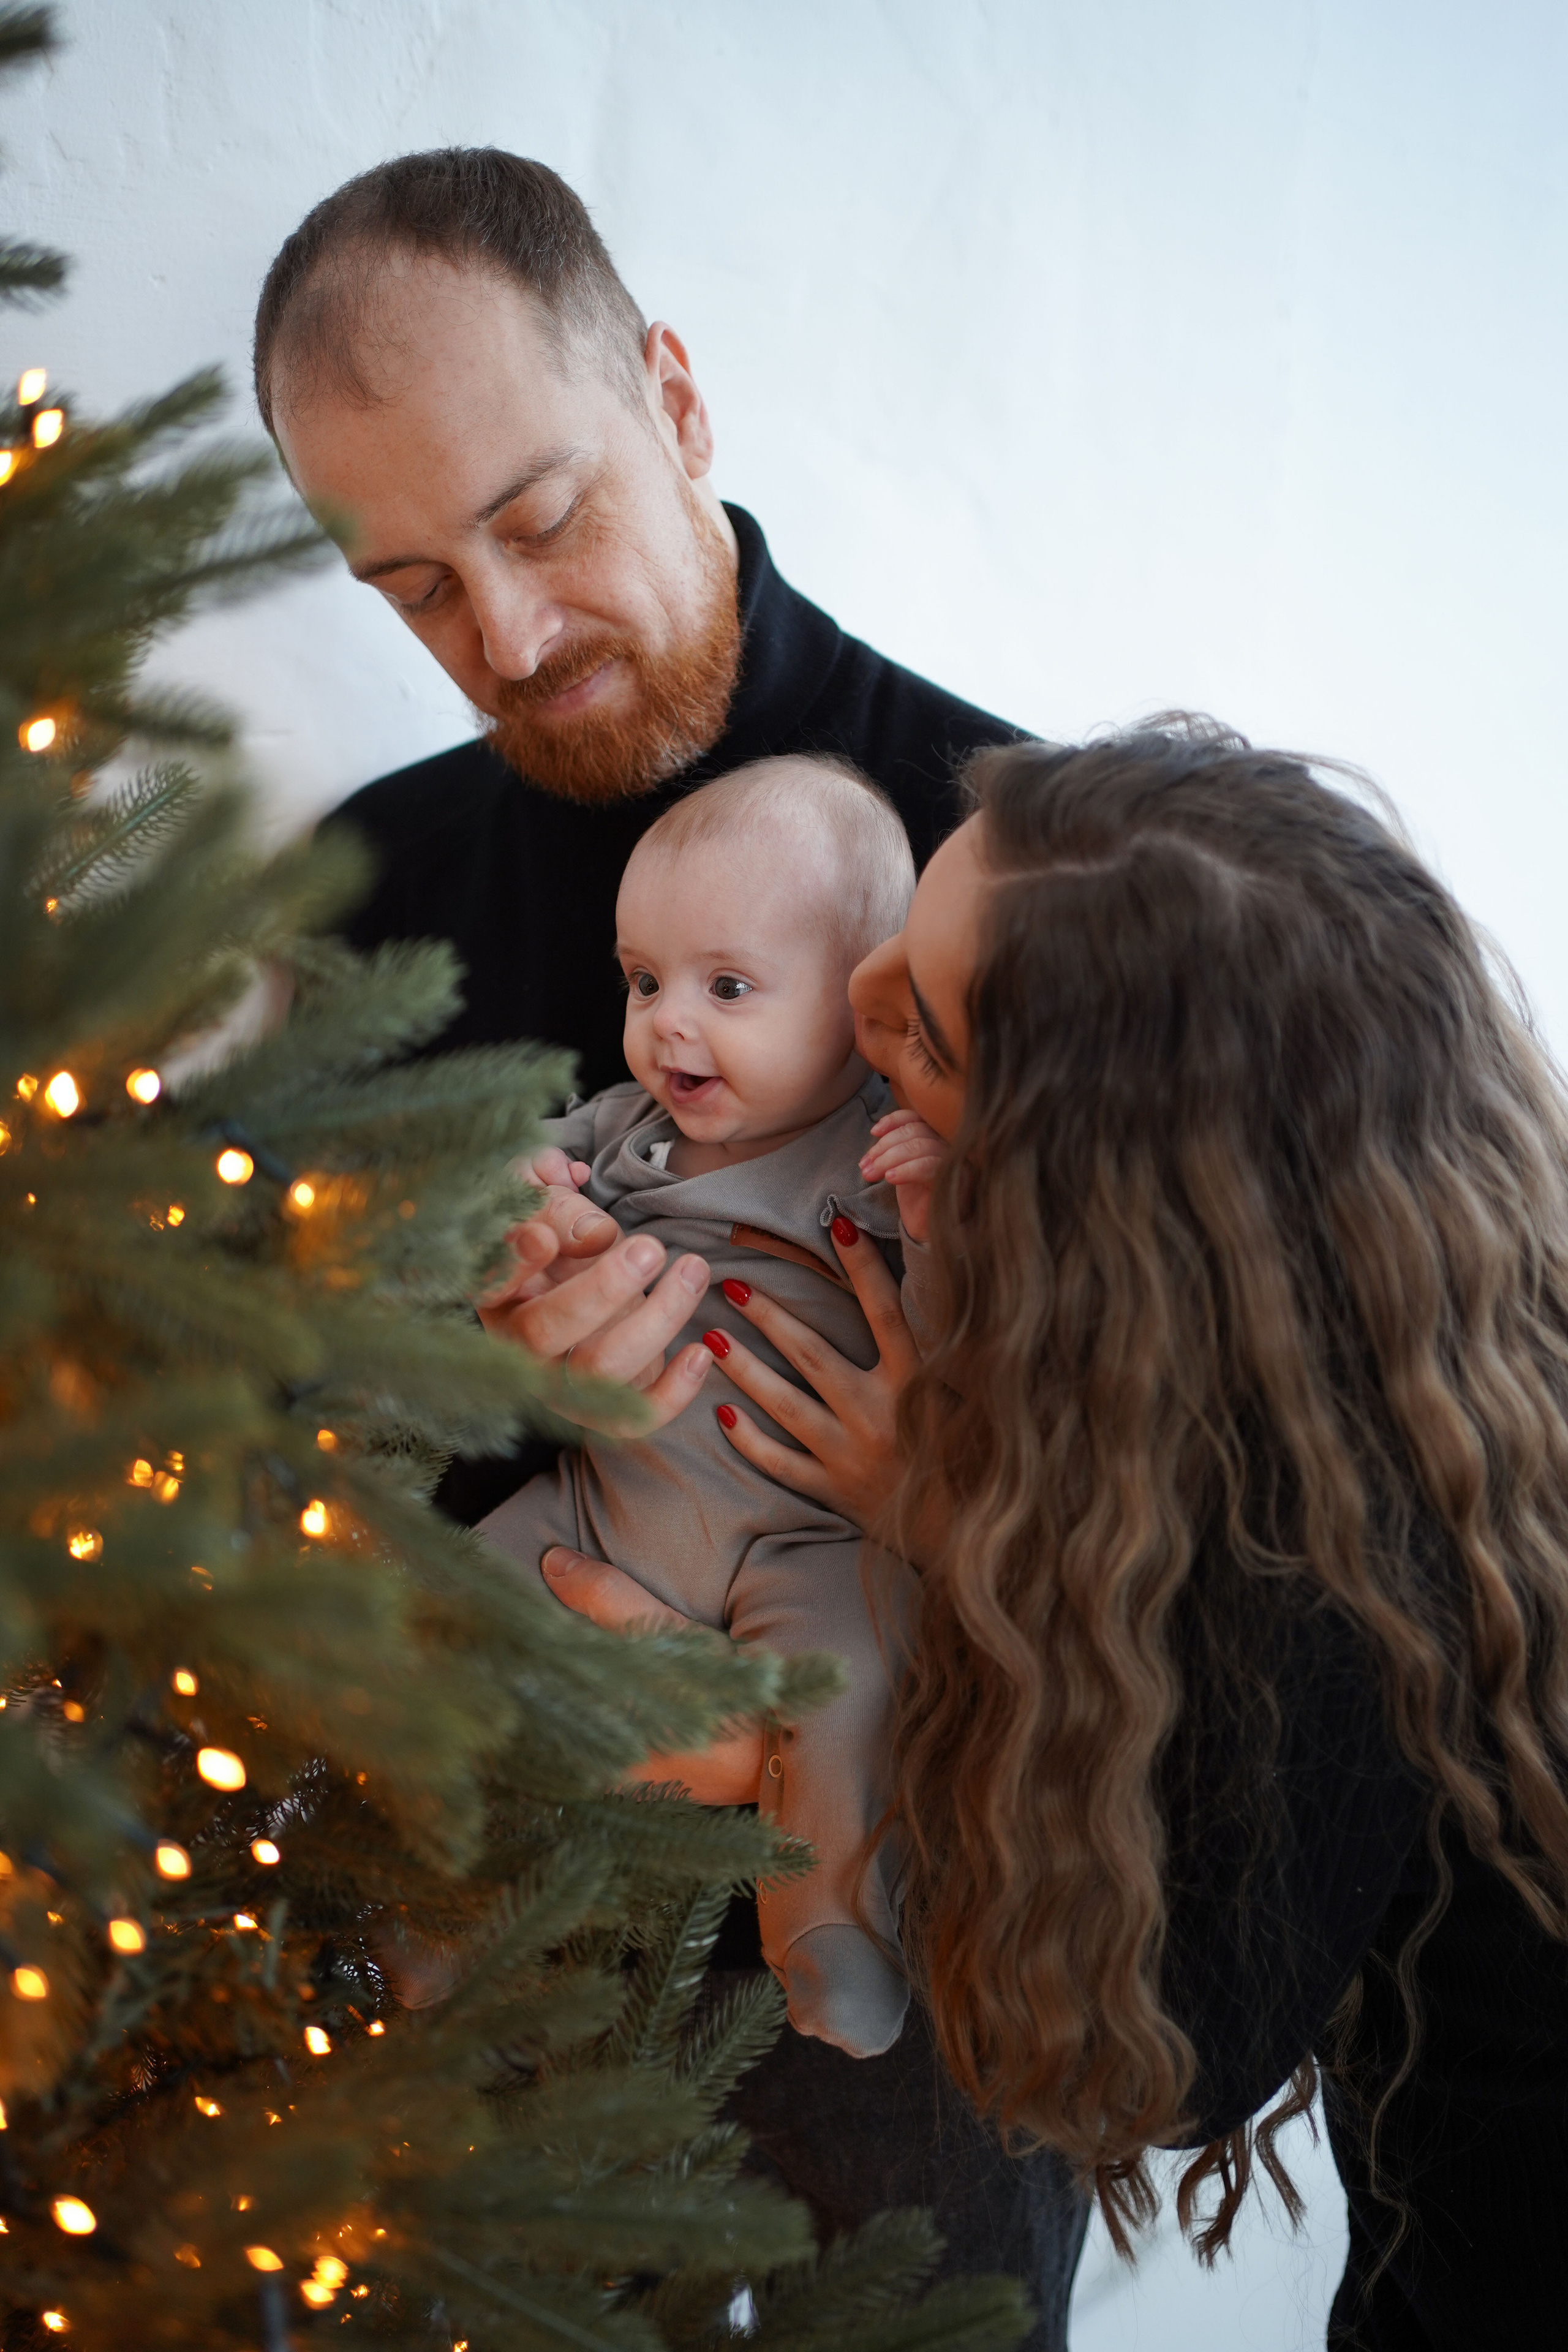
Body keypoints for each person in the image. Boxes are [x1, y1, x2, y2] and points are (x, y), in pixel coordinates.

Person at [254, 149, 1088, 2348]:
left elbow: (1214, 1500)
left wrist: (919, 1527)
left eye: (541, 520)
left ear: (680, 403)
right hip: (486, 1946)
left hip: (906, 1981)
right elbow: (247, 1432)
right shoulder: (367, 885)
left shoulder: (1026, 853)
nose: (507, 638)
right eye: (417, 587)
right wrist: (448, 1369)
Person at [541, 725, 1568, 2348]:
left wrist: (812, 1726)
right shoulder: (1407, 1302)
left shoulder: (1357, 1540)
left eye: (927, 1030)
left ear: (1095, 1186)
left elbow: (1177, 2041)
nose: (861, 1003)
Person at [479, 755, 926, 2057]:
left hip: (814, 1539)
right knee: (444, 1615)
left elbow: (985, 1331)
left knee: (848, 1697)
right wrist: (509, 1183)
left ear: (865, 1011)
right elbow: (509, 1172)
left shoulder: (881, 1151)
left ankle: (834, 1925)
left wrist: (941, 1198)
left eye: (726, 988)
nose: (670, 1024)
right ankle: (439, 1912)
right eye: (645, 980)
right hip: (602, 1505)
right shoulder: (624, 1131)